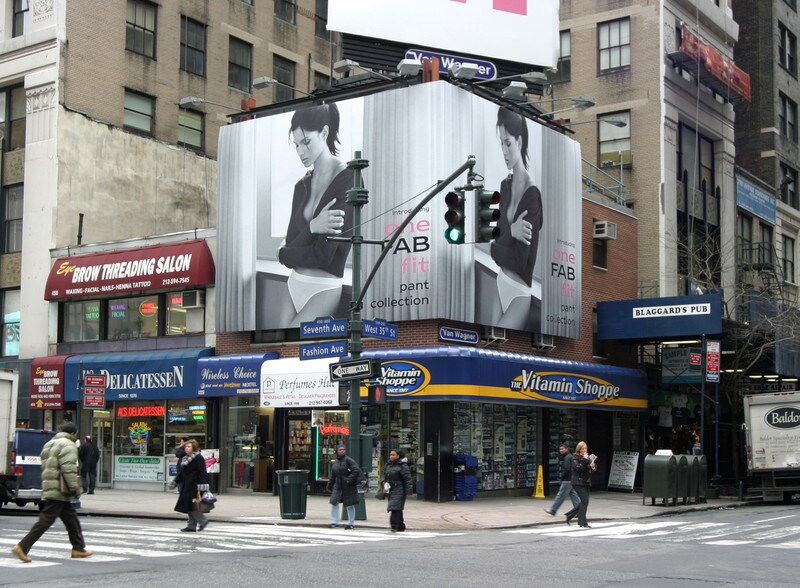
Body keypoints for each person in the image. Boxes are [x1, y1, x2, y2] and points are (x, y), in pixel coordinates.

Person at [268, 103, 355, 328]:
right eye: (296, 144)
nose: (300, 152)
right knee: (281, 352)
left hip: (324, 288)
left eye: (306, 142)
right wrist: (313, 228)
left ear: (324, 133)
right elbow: (288, 249)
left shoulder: (348, 180)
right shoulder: (301, 185)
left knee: (297, 352)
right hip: (293, 284)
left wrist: (286, 252)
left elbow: (323, 256)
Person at [485, 107, 543, 329]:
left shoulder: (532, 195)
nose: (504, 151)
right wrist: (511, 233)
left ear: (519, 142)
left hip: (520, 292)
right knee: (487, 351)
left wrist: (499, 244)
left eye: (507, 143)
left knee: (504, 354)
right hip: (499, 281)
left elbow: (519, 260)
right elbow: (494, 249)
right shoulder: (505, 186)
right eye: (501, 143)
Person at [11, 423, 93, 563]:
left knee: (71, 520)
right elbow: (68, 468)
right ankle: (22, 546)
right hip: (60, 489)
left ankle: (78, 548)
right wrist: (74, 487)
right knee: (45, 521)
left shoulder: (50, 443)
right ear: (73, 433)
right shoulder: (68, 445)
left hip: (51, 486)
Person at [168, 438, 210, 532]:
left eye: (189, 446)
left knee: (191, 505)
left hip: (195, 485)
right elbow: (181, 473)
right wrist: (175, 481)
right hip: (187, 485)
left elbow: (202, 472)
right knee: (190, 506)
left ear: (193, 448)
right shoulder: (185, 458)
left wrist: (202, 486)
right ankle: (191, 525)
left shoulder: (198, 457)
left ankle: (203, 521)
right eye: (186, 446)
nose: (186, 448)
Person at [326, 444, 360, 529]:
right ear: (337, 451)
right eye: (340, 449)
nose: (342, 451)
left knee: (349, 504)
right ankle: (334, 522)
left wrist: (349, 480)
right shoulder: (336, 462)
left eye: (343, 449)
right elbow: (333, 475)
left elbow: (356, 470)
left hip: (348, 486)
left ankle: (351, 523)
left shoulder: (349, 460)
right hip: (338, 485)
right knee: (334, 503)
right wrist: (329, 485)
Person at [564, 441, 597, 528]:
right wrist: (585, 460)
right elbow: (578, 469)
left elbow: (591, 470)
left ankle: (569, 515)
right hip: (577, 482)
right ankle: (582, 522)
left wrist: (592, 465)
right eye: (582, 448)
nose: (584, 450)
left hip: (586, 482)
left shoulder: (586, 457)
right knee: (585, 501)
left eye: (585, 448)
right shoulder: (575, 458)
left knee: (584, 502)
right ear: (579, 449)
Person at [543, 443, 580, 516]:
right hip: (572, 479)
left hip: (567, 480)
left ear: (567, 449)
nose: (561, 450)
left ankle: (553, 510)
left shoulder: (567, 458)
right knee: (574, 495)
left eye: (562, 449)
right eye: (560, 449)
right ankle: (580, 511)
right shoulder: (570, 457)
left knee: (560, 496)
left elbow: (566, 469)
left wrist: (562, 477)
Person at [382, 449, 413, 532]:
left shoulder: (402, 466)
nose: (391, 456)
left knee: (395, 507)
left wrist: (408, 490)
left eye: (393, 455)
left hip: (399, 489)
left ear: (398, 456)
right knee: (397, 508)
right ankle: (401, 525)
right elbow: (384, 474)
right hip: (390, 488)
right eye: (390, 455)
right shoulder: (388, 465)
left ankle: (394, 525)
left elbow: (407, 479)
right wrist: (384, 482)